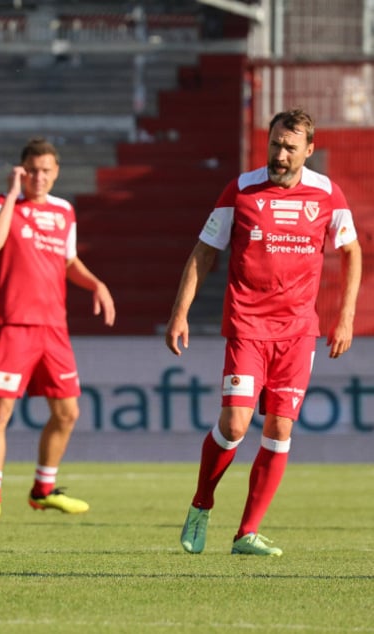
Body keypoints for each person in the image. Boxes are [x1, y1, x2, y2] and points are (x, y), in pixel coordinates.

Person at [166, 108, 362, 556]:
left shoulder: (327, 193)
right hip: (248, 326)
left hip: (298, 333)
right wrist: (180, 312)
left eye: (290, 147)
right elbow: (204, 251)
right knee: (235, 424)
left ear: (308, 150)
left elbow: (352, 251)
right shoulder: (240, 189)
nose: (280, 154)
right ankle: (201, 504)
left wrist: (345, 316)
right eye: (275, 144)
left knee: (279, 429)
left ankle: (246, 533)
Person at [0, 138, 116, 519]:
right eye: (32, 170)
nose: (38, 177)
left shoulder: (64, 211)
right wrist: (12, 193)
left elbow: (69, 262)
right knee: (0, 411)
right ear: (21, 171)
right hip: (14, 326)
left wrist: (96, 284)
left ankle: (43, 490)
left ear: (56, 173)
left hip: (54, 328)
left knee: (68, 412)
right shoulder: (0, 205)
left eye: (45, 171)